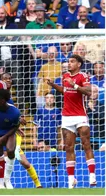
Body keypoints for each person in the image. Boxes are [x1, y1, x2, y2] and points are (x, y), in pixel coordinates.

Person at [46, 54, 96, 188]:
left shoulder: (83, 76)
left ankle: (92, 176)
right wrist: (53, 85)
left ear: (79, 64)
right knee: (68, 147)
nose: (69, 64)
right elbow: (65, 91)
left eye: (72, 61)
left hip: (80, 114)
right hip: (66, 116)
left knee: (86, 144)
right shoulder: (64, 76)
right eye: (68, 61)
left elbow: (88, 91)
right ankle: (71, 180)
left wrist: (74, 85)